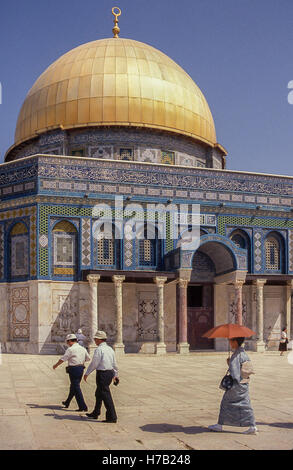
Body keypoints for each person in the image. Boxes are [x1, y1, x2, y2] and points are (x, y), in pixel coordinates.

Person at [208, 337, 257, 434]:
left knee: (225, 403)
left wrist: (230, 364)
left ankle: (219, 425)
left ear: (235, 342)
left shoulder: (236, 356)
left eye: (230, 341)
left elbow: (235, 373)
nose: (229, 343)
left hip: (236, 386)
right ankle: (252, 426)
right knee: (246, 405)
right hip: (244, 384)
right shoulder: (243, 354)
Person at [83, 331, 119, 423]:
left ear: (99, 339)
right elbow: (114, 363)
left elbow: (95, 363)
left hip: (103, 374)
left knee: (105, 394)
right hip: (109, 372)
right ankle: (96, 412)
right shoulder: (110, 349)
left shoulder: (99, 350)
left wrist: (87, 373)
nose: (94, 340)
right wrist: (115, 374)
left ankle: (112, 416)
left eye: (95, 339)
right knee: (99, 393)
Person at [53, 333, 90, 412]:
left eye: (67, 342)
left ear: (70, 341)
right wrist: (81, 361)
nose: (67, 343)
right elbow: (88, 358)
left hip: (73, 369)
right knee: (73, 386)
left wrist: (56, 365)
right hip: (81, 368)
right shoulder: (82, 348)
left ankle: (83, 406)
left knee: (76, 387)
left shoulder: (70, 349)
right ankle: (67, 402)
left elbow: (63, 358)